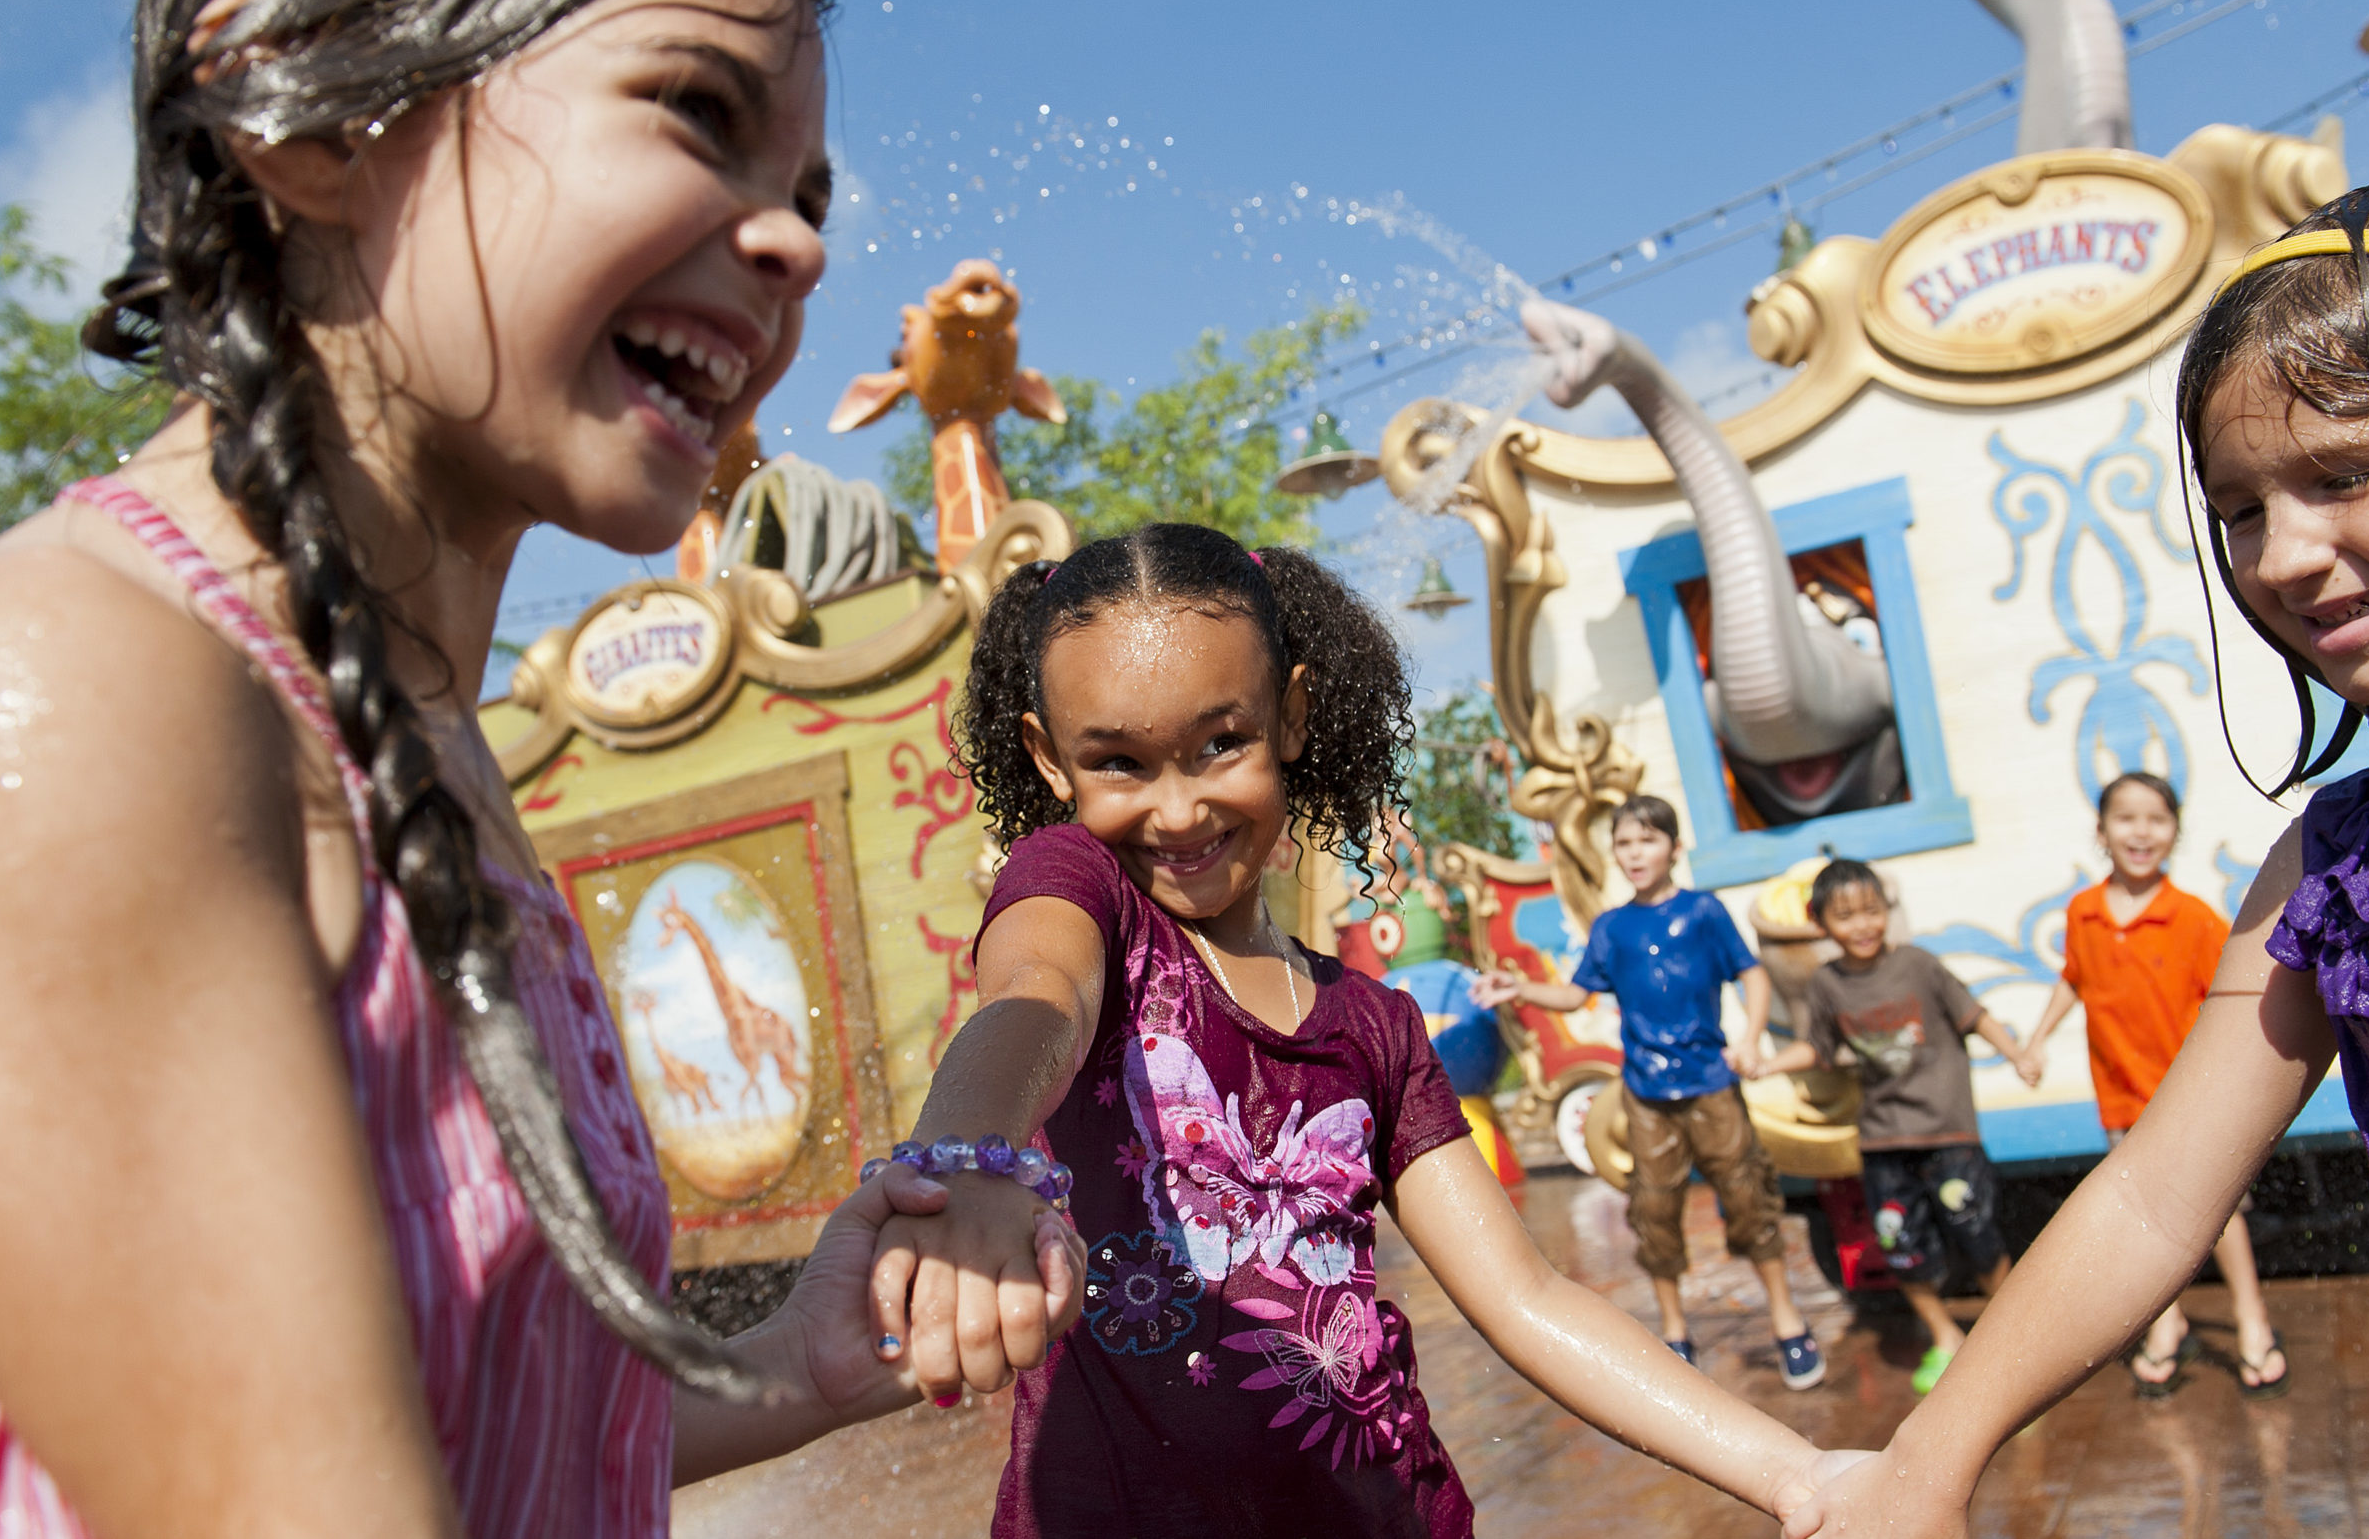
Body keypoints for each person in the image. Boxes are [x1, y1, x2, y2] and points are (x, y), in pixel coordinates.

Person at [0, 0, 1080, 1532]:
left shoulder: (427, 746)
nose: (802, 248)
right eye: (694, 109)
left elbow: (478, 1424)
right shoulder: (82, 687)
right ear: (296, 101)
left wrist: (794, 1357)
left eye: (806, 194)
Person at [1787, 169, 2369, 1539]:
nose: (2279, 557)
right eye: (2239, 510)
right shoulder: (2335, 871)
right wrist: (1929, 1455)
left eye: (2341, 474)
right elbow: (2150, 1200)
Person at [867, 524, 1846, 1537]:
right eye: (1119, 761)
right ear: (1049, 759)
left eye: (1220, 743)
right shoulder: (1085, 902)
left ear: (1289, 715)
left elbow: (1528, 1299)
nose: (1179, 808)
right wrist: (966, 1162)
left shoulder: (1374, 1029)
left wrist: (1798, 1475)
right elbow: (1036, 998)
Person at [1469, 795, 1825, 1388]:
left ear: (1674, 848)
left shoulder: (1703, 912)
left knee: (1748, 1198)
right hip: (1646, 1094)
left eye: (1647, 841)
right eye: (1624, 844)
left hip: (1712, 1085)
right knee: (1654, 1210)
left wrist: (1751, 1038)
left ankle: (1787, 1321)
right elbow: (1576, 994)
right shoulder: (1612, 927)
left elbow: (1752, 973)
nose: (1635, 854)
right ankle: (1676, 1332)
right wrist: (1521, 988)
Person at [2019, 771, 2286, 1399]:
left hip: (2188, 1100)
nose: (2141, 832)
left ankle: (2252, 1318)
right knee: (2141, 1222)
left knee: (2220, 1215)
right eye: (2126, 818)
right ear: (2101, 830)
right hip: (2120, 1096)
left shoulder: (2193, 919)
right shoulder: (2083, 912)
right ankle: (2166, 1322)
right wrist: (2036, 1039)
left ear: (2174, 832)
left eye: (2156, 819)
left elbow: (2234, 1000)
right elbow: (2075, 978)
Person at [1740, 859, 2039, 1397]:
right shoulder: (1827, 984)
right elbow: (1819, 1048)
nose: (1862, 925)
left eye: (1871, 911)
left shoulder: (1919, 966)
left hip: (1947, 1131)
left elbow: (1973, 1015)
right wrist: (1768, 1064)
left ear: (1887, 911)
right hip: (1883, 1138)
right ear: (1820, 924)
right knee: (1900, 1242)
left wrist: (2018, 1055)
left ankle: (2013, 1335)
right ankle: (1945, 1335)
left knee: (1978, 1232)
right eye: (1846, 915)